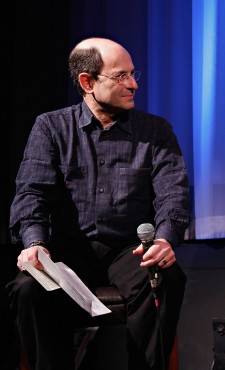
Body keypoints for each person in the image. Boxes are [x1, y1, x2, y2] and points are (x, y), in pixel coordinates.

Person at [7, 37, 190, 370]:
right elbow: (31, 193)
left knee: (166, 278)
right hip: (67, 250)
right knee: (26, 291)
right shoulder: (50, 128)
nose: (133, 84)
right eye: (121, 76)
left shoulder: (156, 130)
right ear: (87, 82)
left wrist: (165, 238)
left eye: (134, 74)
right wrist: (34, 243)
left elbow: (173, 194)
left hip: (129, 250)